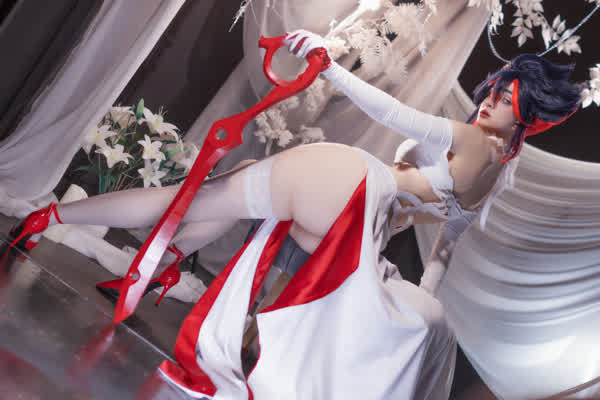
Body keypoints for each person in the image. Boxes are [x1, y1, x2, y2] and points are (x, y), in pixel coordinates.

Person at [8, 29, 580, 399]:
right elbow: (445, 250)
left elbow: (395, 114)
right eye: (497, 88)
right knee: (231, 191)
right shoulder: (497, 173)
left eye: (508, 98)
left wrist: (329, 68)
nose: (491, 99)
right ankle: (156, 265)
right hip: (355, 234)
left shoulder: (469, 137)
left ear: (529, 115)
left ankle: (50, 219)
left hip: (352, 186)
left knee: (195, 197)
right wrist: (419, 305)